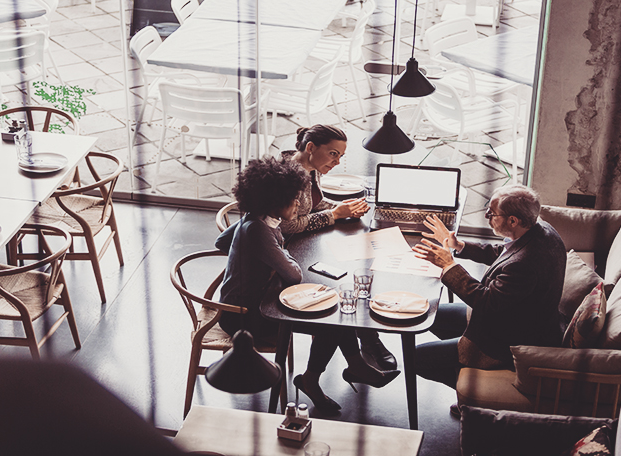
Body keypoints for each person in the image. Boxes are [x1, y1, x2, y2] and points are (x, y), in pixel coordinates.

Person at [215, 158, 398, 413]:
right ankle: (312, 380)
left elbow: (222, 241)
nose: (300, 204)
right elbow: (293, 275)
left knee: (334, 311)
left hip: (255, 298)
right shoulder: (259, 230)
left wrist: (253, 261)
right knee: (329, 321)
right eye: (294, 199)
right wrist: (276, 253)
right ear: (275, 201)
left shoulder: (254, 217)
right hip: (244, 317)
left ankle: (353, 364)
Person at [411, 184, 566, 397]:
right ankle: (460, 357)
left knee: (415, 358)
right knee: (429, 313)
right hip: (512, 315)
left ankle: (469, 395)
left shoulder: (525, 264)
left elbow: (485, 302)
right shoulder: (541, 230)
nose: (486, 216)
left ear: (513, 220)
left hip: (508, 338)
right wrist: (459, 246)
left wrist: (448, 265)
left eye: (492, 213)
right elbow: (503, 253)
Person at [279, 125, 398, 371]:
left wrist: (345, 208)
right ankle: (368, 340)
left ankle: (366, 341)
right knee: (343, 285)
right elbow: (289, 226)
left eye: (341, 156)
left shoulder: (310, 168)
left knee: (351, 274)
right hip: (287, 253)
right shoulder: (289, 178)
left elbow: (314, 203)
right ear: (310, 148)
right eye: (333, 154)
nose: (337, 162)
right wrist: (334, 215)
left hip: (303, 244)